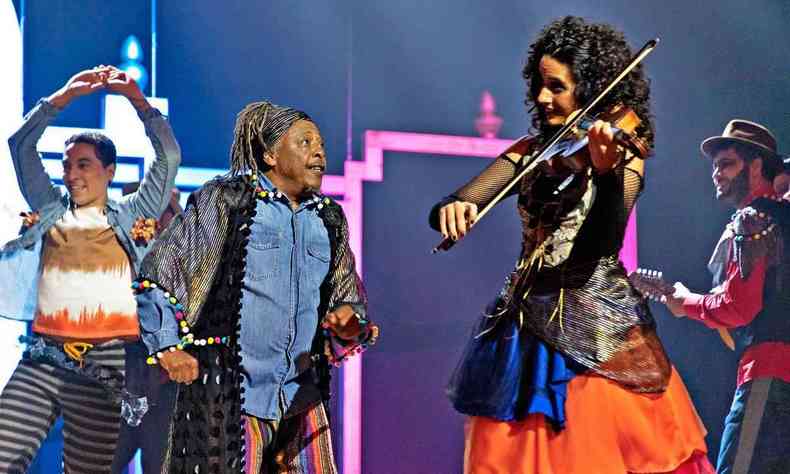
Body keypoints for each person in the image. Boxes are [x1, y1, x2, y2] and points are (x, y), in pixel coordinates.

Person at [429, 16, 713, 473]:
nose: (543, 98)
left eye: (556, 87)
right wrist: (454, 205)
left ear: (590, 86)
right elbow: (468, 195)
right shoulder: (532, 150)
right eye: (541, 85)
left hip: (597, 326)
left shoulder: (624, 152)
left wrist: (605, 172)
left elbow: (605, 240)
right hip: (524, 323)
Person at [134, 100, 378, 473]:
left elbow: (347, 299)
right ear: (269, 155)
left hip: (301, 398)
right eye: (305, 142)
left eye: (322, 145)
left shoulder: (329, 218)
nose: (319, 152)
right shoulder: (227, 200)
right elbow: (161, 272)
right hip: (232, 398)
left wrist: (350, 324)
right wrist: (167, 347)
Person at [0, 66, 181, 473]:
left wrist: (136, 99)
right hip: (43, 360)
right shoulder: (51, 209)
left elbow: (168, 156)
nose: (72, 174)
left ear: (109, 171)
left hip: (104, 368)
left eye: (83, 165)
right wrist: (62, 97)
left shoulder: (134, 215)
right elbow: (20, 145)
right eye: (67, 166)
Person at [662, 119, 790, 473]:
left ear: (757, 166)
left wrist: (686, 302)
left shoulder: (752, 220)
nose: (717, 174)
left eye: (727, 164)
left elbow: (739, 307)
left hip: (770, 374)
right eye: (715, 166)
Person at [111, 184, 183, 473]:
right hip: (117, 384)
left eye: (168, 213)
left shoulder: (185, 265)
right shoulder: (111, 257)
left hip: (166, 391)